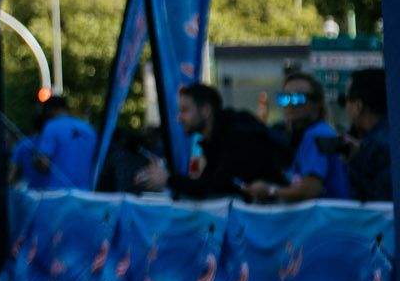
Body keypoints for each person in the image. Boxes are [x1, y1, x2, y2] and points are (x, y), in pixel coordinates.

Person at [134, 83, 284, 200]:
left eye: (185, 110)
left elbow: (214, 187)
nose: (179, 118)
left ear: (205, 110)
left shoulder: (237, 135)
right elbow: (209, 183)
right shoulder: (216, 139)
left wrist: (168, 179)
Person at [245, 72, 351, 204]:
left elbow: (309, 190)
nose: (290, 104)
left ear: (316, 104)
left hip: (328, 221)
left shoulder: (318, 135)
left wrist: (269, 190)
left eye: (298, 98)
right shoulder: (315, 133)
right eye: (285, 98)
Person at [15, 94, 94, 191]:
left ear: (50, 110)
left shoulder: (51, 126)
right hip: (86, 193)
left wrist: (34, 161)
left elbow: (43, 164)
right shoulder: (88, 129)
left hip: (58, 195)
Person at [342, 68, 391, 203]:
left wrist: (357, 159)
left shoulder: (376, 147)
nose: (345, 107)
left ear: (358, 106)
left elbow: (376, 201)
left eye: (346, 99)